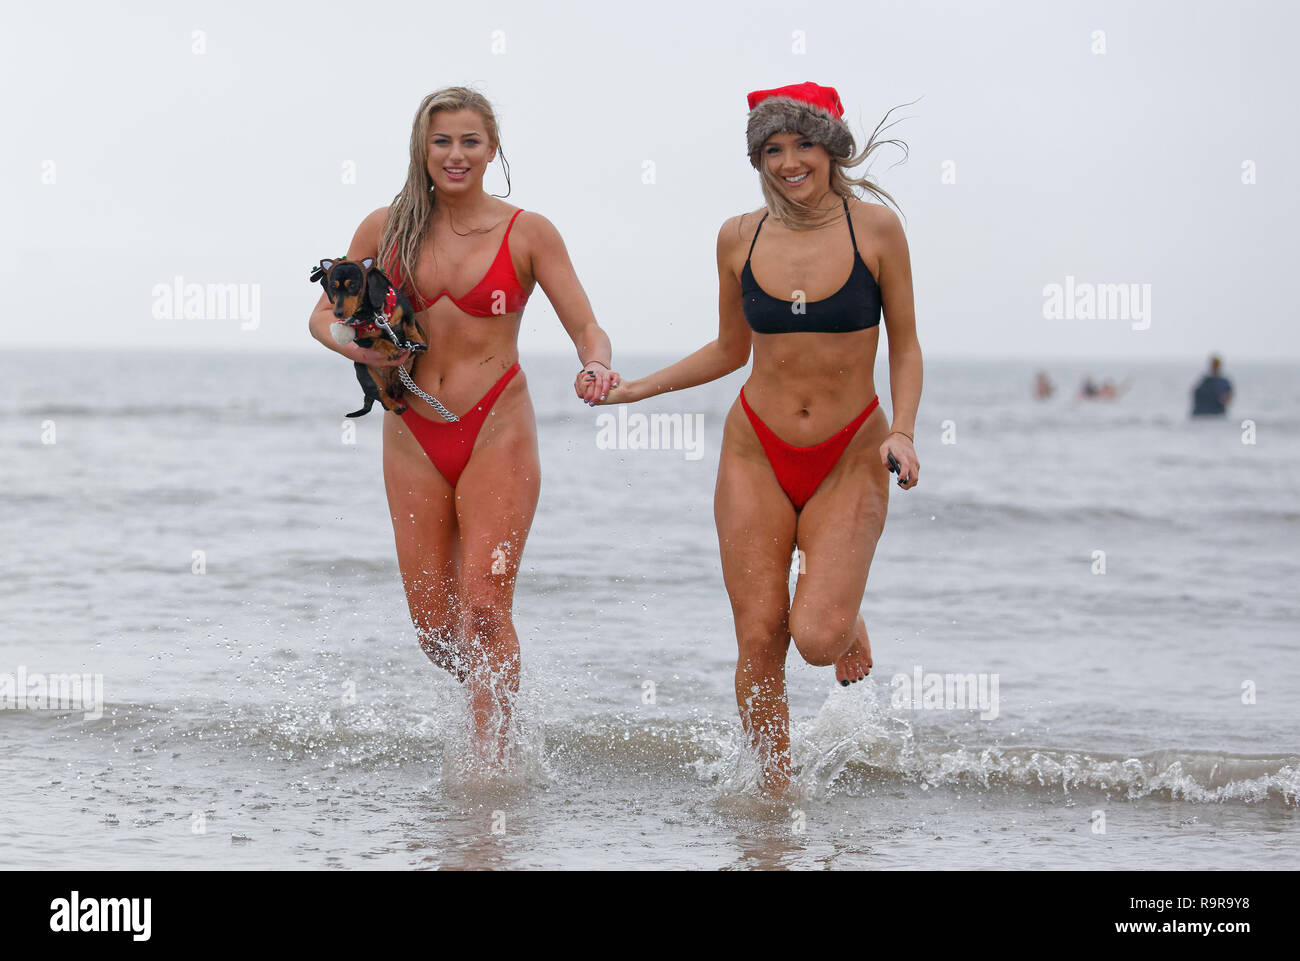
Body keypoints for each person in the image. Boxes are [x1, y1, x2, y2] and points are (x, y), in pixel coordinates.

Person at [599, 82, 922, 794]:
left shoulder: (876, 231)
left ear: (831, 145)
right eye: (771, 149)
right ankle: (774, 790)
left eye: (802, 143)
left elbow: (905, 346)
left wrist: (901, 431)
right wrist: (636, 389)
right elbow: (727, 349)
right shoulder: (737, 236)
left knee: (814, 638)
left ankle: (845, 616)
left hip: (849, 453)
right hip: (755, 450)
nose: (787, 162)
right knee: (758, 636)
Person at [308, 87, 620, 764]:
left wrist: (596, 363)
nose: (456, 154)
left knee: (483, 608)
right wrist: (361, 348)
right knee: (436, 632)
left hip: (496, 427)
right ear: (423, 148)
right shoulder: (384, 228)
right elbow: (321, 317)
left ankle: (490, 777)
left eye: (470, 141)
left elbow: (586, 324)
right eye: (442, 140)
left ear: (492, 148)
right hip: (411, 430)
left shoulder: (528, 231)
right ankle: (499, 700)